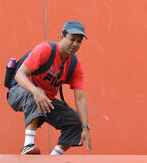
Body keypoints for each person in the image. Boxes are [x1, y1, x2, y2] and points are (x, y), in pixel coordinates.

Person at [7, 20, 92, 155]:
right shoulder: (46, 50)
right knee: (38, 92)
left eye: (79, 41)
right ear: (62, 36)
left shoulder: (75, 64)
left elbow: (80, 99)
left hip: (45, 100)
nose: (75, 44)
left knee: (75, 121)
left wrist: (85, 127)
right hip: (20, 92)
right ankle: (27, 144)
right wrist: (35, 91)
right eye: (72, 39)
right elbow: (19, 75)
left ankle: (53, 159)